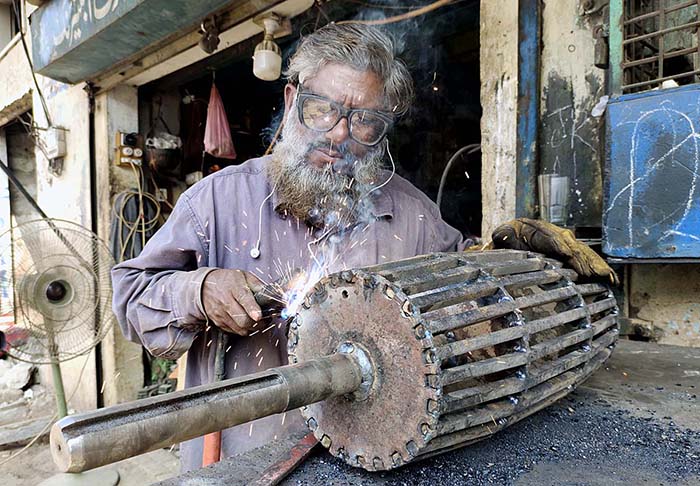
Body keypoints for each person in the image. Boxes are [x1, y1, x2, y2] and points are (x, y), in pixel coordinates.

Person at [111, 23, 616, 472]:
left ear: (382, 130)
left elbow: (470, 284)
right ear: (291, 104)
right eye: (321, 111)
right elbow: (130, 297)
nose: (337, 135)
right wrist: (199, 290)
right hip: (246, 461)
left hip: (372, 458)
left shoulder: (412, 214)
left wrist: (510, 258)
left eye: (363, 121)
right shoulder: (218, 201)